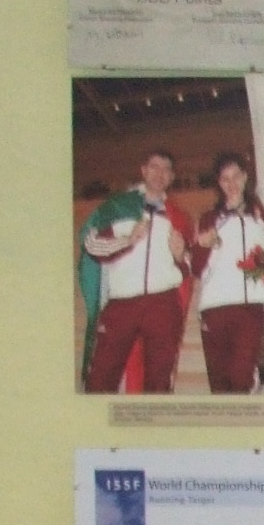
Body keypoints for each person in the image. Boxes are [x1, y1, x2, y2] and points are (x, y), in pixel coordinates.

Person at [79, 147, 193, 394]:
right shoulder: (117, 207)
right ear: (143, 171)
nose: (160, 173)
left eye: (166, 170)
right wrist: (127, 240)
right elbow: (91, 246)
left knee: (159, 381)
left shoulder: (179, 217)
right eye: (154, 167)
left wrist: (180, 257)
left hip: (163, 303)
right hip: (122, 303)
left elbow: (187, 268)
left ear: (172, 177)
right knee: (100, 379)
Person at [192, 149, 264, 395]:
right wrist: (204, 246)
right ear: (219, 183)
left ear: (245, 177)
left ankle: (254, 387)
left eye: (236, 176)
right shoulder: (209, 218)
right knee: (220, 386)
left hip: (250, 309)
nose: (232, 183)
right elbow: (197, 269)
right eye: (225, 179)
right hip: (214, 309)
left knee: (240, 377)